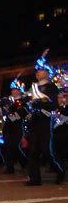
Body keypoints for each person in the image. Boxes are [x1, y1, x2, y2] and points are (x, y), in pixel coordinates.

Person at [25, 50, 65, 185]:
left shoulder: (51, 87)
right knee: (33, 152)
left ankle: (60, 171)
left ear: (47, 73)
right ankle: (35, 179)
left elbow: (54, 104)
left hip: (46, 121)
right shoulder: (33, 88)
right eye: (36, 70)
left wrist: (43, 103)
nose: (37, 72)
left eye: (40, 70)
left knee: (47, 151)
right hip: (35, 121)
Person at [1, 78, 28, 173]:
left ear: (20, 91)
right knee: (9, 147)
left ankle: (12, 166)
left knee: (12, 147)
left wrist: (10, 115)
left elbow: (21, 113)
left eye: (15, 89)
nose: (13, 91)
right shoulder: (11, 102)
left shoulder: (22, 102)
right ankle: (21, 163)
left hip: (16, 128)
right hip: (8, 127)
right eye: (12, 89)